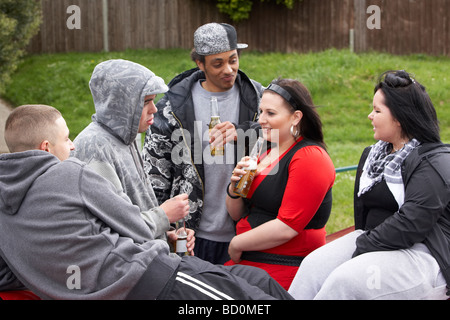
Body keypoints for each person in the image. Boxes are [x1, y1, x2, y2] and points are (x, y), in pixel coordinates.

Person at [0, 104, 293, 300]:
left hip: (142, 277)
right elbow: (137, 228)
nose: (73, 145)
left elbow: (9, 275)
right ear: (46, 148)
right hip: (149, 278)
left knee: (256, 280)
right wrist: (165, 222)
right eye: (66, 139)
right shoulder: (68, 172)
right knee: (255, 298)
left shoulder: (5, 207)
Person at [288, 70, 450, 300]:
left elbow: (413, 223)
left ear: (399, 117)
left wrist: (362, 246)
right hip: (374, 239)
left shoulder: (434, 161)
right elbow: (364, 216)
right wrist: (362, 243)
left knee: (345, 281)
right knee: (313, 266)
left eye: (377, 110)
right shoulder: (372, 155)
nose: (369, 116)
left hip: (422, 253)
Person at [142, 22, 264, 264]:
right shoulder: (170, 107)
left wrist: (244, 131)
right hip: (189, 236)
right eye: (217, 64)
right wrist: (161, 228)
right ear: (200, 63)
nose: (228, 69)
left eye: (233, 60)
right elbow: (155, 173)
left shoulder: (259, 97)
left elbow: (286, 134)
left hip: (249, 231)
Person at [71, 59, 193, 253]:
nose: (154, 108)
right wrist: (163, 215)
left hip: (146, 258)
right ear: (119, 104)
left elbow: (134, 213)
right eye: (145, 102)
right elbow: (116, 224)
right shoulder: (94, 146)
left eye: (153, 100)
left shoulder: (126, 136)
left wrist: (165, 236)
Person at [224, 78, 335, 290]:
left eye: (271, 113)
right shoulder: (266, 151)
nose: (262, 120)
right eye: (261, 111)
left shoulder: (310, 157)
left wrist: (237, 243)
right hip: (251, 260)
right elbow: (237, 214)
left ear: (296, 117)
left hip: (283, 266)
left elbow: (286, 227)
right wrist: (234, 189)